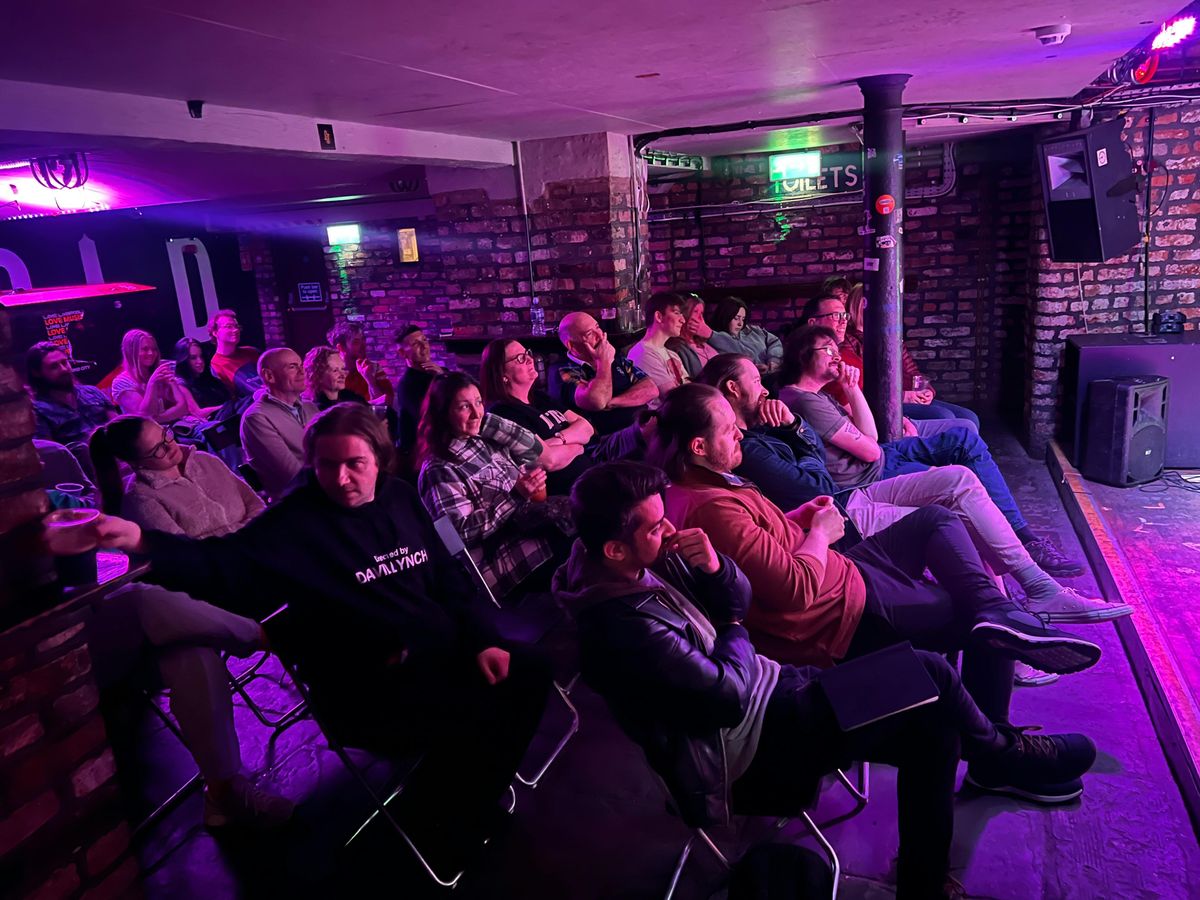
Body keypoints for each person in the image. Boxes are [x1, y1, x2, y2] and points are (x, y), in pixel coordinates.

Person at [555, 461, 1096, 899]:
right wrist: (733, 624)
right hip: (753, 750)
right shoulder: (622, 627)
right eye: (655, 527)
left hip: (776, 695)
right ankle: (1001, 752)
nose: (669, 530)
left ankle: (926, 879)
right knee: (926, 670)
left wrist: (717, 570)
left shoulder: (632, 564)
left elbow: (738, 600)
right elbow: (728, 696)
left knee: (934, 728)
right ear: (614, 548)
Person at [73, 403, 552, 867]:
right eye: (326, 465)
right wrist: (139, 540)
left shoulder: (400, 497)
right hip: (369, 687)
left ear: (380, 459)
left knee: (530, 671)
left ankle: (460, 802)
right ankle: (448, 820)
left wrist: (483, 638)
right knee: (481, 709)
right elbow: (218, 564)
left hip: (439, 653)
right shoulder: (296, 522)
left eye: (354, 464)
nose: (340, 479)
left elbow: (448, 574)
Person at [650, 383, 1104, 803]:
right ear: (698, 446)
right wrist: (820, 534)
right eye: (728, 429)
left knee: (938, 520)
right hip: (837, 614)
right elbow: (794, 592)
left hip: (844, 573)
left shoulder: (708, 483)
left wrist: (798, 520)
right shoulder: (712, 510)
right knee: (974, 616)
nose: (739, 433)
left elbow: (762, 546)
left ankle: (1000, 614)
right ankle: (998, 755)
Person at [698, 353, 1131, 625]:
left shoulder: (763, 422)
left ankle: (1037, 589)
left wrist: (795, 428)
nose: (765, 387)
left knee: (960, 478)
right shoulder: (747, 445)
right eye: (756, 381)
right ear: (733, 389)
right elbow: (818, 484)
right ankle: (1019, 625)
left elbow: (823, 457)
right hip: (839, 515)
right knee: (958, 520)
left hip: (850, 497)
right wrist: (795, 430)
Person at [778, 326, 1084, 577]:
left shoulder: (818, 396)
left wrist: (851, 388)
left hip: (882, 456)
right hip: (871, 474)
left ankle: (1020, 542)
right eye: (827, 349)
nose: (836, 356)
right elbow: (869, 450)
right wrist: (860, 410)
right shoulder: (804, 401)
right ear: (804, 356)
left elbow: (870, 436)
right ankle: (1021, 547)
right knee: (959, 484)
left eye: (836, 348)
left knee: (965, 437)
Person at [417, 372, 573, 599]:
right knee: (582, 546)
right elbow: (460, 535)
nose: (476, 412)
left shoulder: (485, 440)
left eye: (479, 402)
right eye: (464, 407)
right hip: (502, 559)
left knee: (592, 521)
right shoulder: (439, 468)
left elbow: (534, 450)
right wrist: (515, 497)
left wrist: (485, 420)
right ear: (443, 413)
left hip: (530, 527)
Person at [805, 291, 981, 430]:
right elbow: (865, 387)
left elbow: (910, 370)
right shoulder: (841, 346)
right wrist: (902, 397)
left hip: (900, 396)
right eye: (836, 316)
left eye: (844, 316)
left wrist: (927, 390)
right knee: (946, 417)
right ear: (859, 307)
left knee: (970, 417)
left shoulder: (890, 336)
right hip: (883, 403)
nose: (843, 321)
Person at [90, 415, 264, 536]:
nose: (170, 446)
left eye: (165, 435)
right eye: (158, 449)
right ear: (136, 462)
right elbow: (186, 553)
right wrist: (244, 536)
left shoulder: (205, 460)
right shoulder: (141, 498)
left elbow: (256, 504)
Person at [480, 338, 595, 497]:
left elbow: (587, 428)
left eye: (527, 353)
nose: (530, 359)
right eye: (520, 358)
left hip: (591, 469)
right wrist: (578, 446)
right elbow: (549, 460)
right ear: (502, 374)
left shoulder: (539, 397)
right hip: (568, 492)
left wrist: (556, 441)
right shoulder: (505, 412)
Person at [557, 311, 658, 446]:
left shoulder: (616, 359)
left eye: (598, 327)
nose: (600, 335)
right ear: (571, 345)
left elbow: (651, 389)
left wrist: (611, 402)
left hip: (641, 426)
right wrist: (604, 361)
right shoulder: (565, 371)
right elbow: (597, 402)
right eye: (590, 334)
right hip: (606, 443)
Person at [239, 348, 319, 501]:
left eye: (301, 365)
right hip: (299, 502)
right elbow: (292, 475)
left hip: (327, 489)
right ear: (269, 376)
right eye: (292, 367)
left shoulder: (310, 407)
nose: (303, 372)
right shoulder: (257, 418)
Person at [111, 329, 206, 428]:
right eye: (145, 349)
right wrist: (152, 384)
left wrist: (158, 418)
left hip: (182, 426)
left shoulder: (161, 370)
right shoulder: (122, 382)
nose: (151, 353)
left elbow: (183, 408)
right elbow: (144, 417)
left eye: (154, 349)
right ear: (131, 352)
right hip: (154, 435)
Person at [27, 342, 116, 445]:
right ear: (37, 373)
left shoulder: (93, 392)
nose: (64, 369)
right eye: (54, 367)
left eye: (64, 362)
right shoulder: (39, 411)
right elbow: (50, 450)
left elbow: (118, 427)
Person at [626, 292, 690, 401]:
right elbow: (672, 397)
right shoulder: (643, 353)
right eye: (677, 313)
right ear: (659, 317)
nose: (683, 320)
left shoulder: (671, 353)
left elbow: (690, 388)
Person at [395, 325, 444, 455]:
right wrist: (442, 380)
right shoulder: (407, 385)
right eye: (416, 343)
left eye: (424, 340)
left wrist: (443, 376)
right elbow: (432, 420)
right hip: (423, 452)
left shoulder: (441, 373)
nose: (424, 346)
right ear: (402, 353)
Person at [705, 297, 782, 374]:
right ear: (725, 317)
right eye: (736, 318)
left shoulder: (753, 330)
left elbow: (774, 342)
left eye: (743, 319)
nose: (740, 324)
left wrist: (773, 360)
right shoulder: (716, 339)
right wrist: (755, 368)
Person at [327, 320, 394, 406]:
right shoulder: (334, 375)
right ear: (341, 347)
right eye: (356, 342)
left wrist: (370, 379)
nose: (363, 345)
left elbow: (387, 404)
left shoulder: (374, 367)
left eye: (363, 340)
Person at [207, 309, 261, 397]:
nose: (235, 330)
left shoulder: (252, 352)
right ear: (215, 333)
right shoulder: (216, 366)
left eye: (236, 326)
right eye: (229, 326)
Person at [666, 292, 719, 378]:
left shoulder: (704, 342)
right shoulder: (677, 348)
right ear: (684, 314)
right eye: (695, 312)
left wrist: (711, 334)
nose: (700, 318)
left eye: (701, 313)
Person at [174, 338, 230, 416]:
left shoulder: (208, 375)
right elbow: (197, 413)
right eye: (193, 358)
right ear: (184, 360)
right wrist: (226, 407)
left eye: (201, 356)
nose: (200, 361)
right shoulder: (180, 383)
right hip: (214, 421)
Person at [302, 345, 366, 411]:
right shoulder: (311, 409)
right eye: (335, 370)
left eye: (343, 369)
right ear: (317, 375)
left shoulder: (353, 400)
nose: (343, 375)